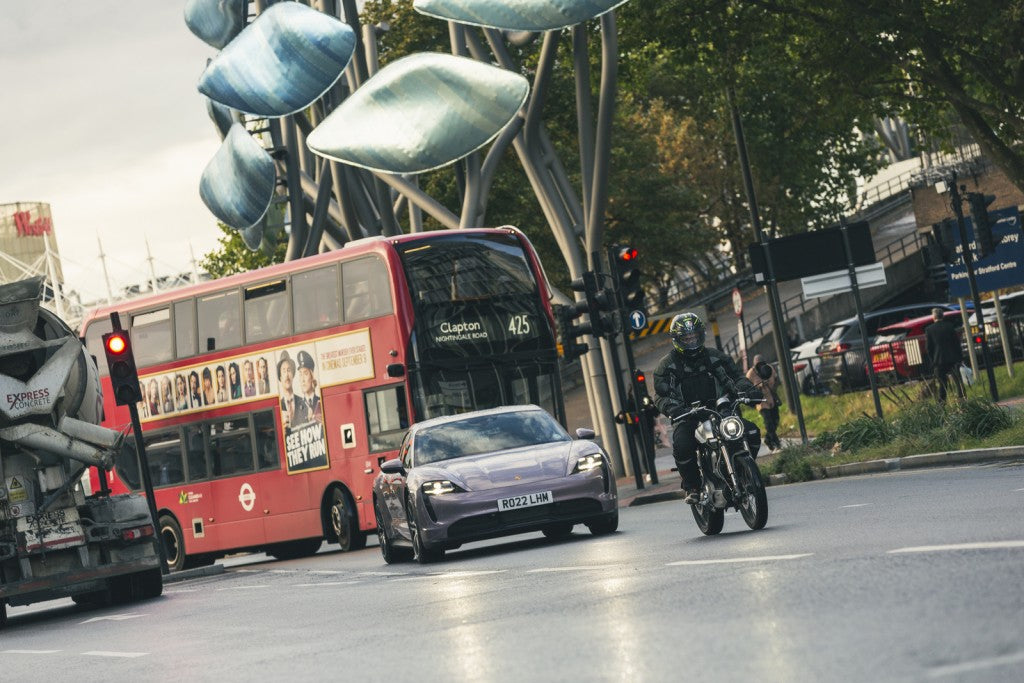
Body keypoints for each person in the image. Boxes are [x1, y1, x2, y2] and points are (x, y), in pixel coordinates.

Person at [653, 312, 761, 504]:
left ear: (701, 335)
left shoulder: (715, 357)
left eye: (694, 336)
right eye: (686, 337)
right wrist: (672, 408)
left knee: (752, 431)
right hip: (688, 415)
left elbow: (735, 378)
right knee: (683, 445)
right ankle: (692, 487)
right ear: (677, 339)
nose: (691, 340)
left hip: (720, 410)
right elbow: (661, 394)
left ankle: (743, 470)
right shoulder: (667, 365)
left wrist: (747, 391)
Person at [925, 307, 966, 402]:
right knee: (958, 381)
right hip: (953, 359)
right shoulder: (950, 326)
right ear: (942, 315)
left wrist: (933, 360)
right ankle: (962, 400)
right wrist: (960, 358)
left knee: (943, 384)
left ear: (934, 317)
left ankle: (942, 404)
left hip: (939, 361)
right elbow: (956, 343)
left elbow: (929, 348)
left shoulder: (929, 330)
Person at [746, 354, 782, 452]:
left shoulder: (769, 368)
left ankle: (767, 439)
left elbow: (776, 379)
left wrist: (773, 387)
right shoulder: (750, 374)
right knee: (769, 422)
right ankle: (776, 443)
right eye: (759, 364)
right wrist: (759, 387)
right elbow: (747, 388)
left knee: (776, 420)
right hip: (761, 402)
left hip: (771, 398)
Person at [293, 350, 322, 425]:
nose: (302, 380)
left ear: (312, 376)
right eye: (300, 374)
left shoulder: (320, 402)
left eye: (305, 373)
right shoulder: (296, 408)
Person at [277, 351, 297, 431]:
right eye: (284, 371)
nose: (287, 375)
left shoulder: (303, 402)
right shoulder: (279, 406)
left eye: (289, 370)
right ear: (280, 377)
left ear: (292, 375)